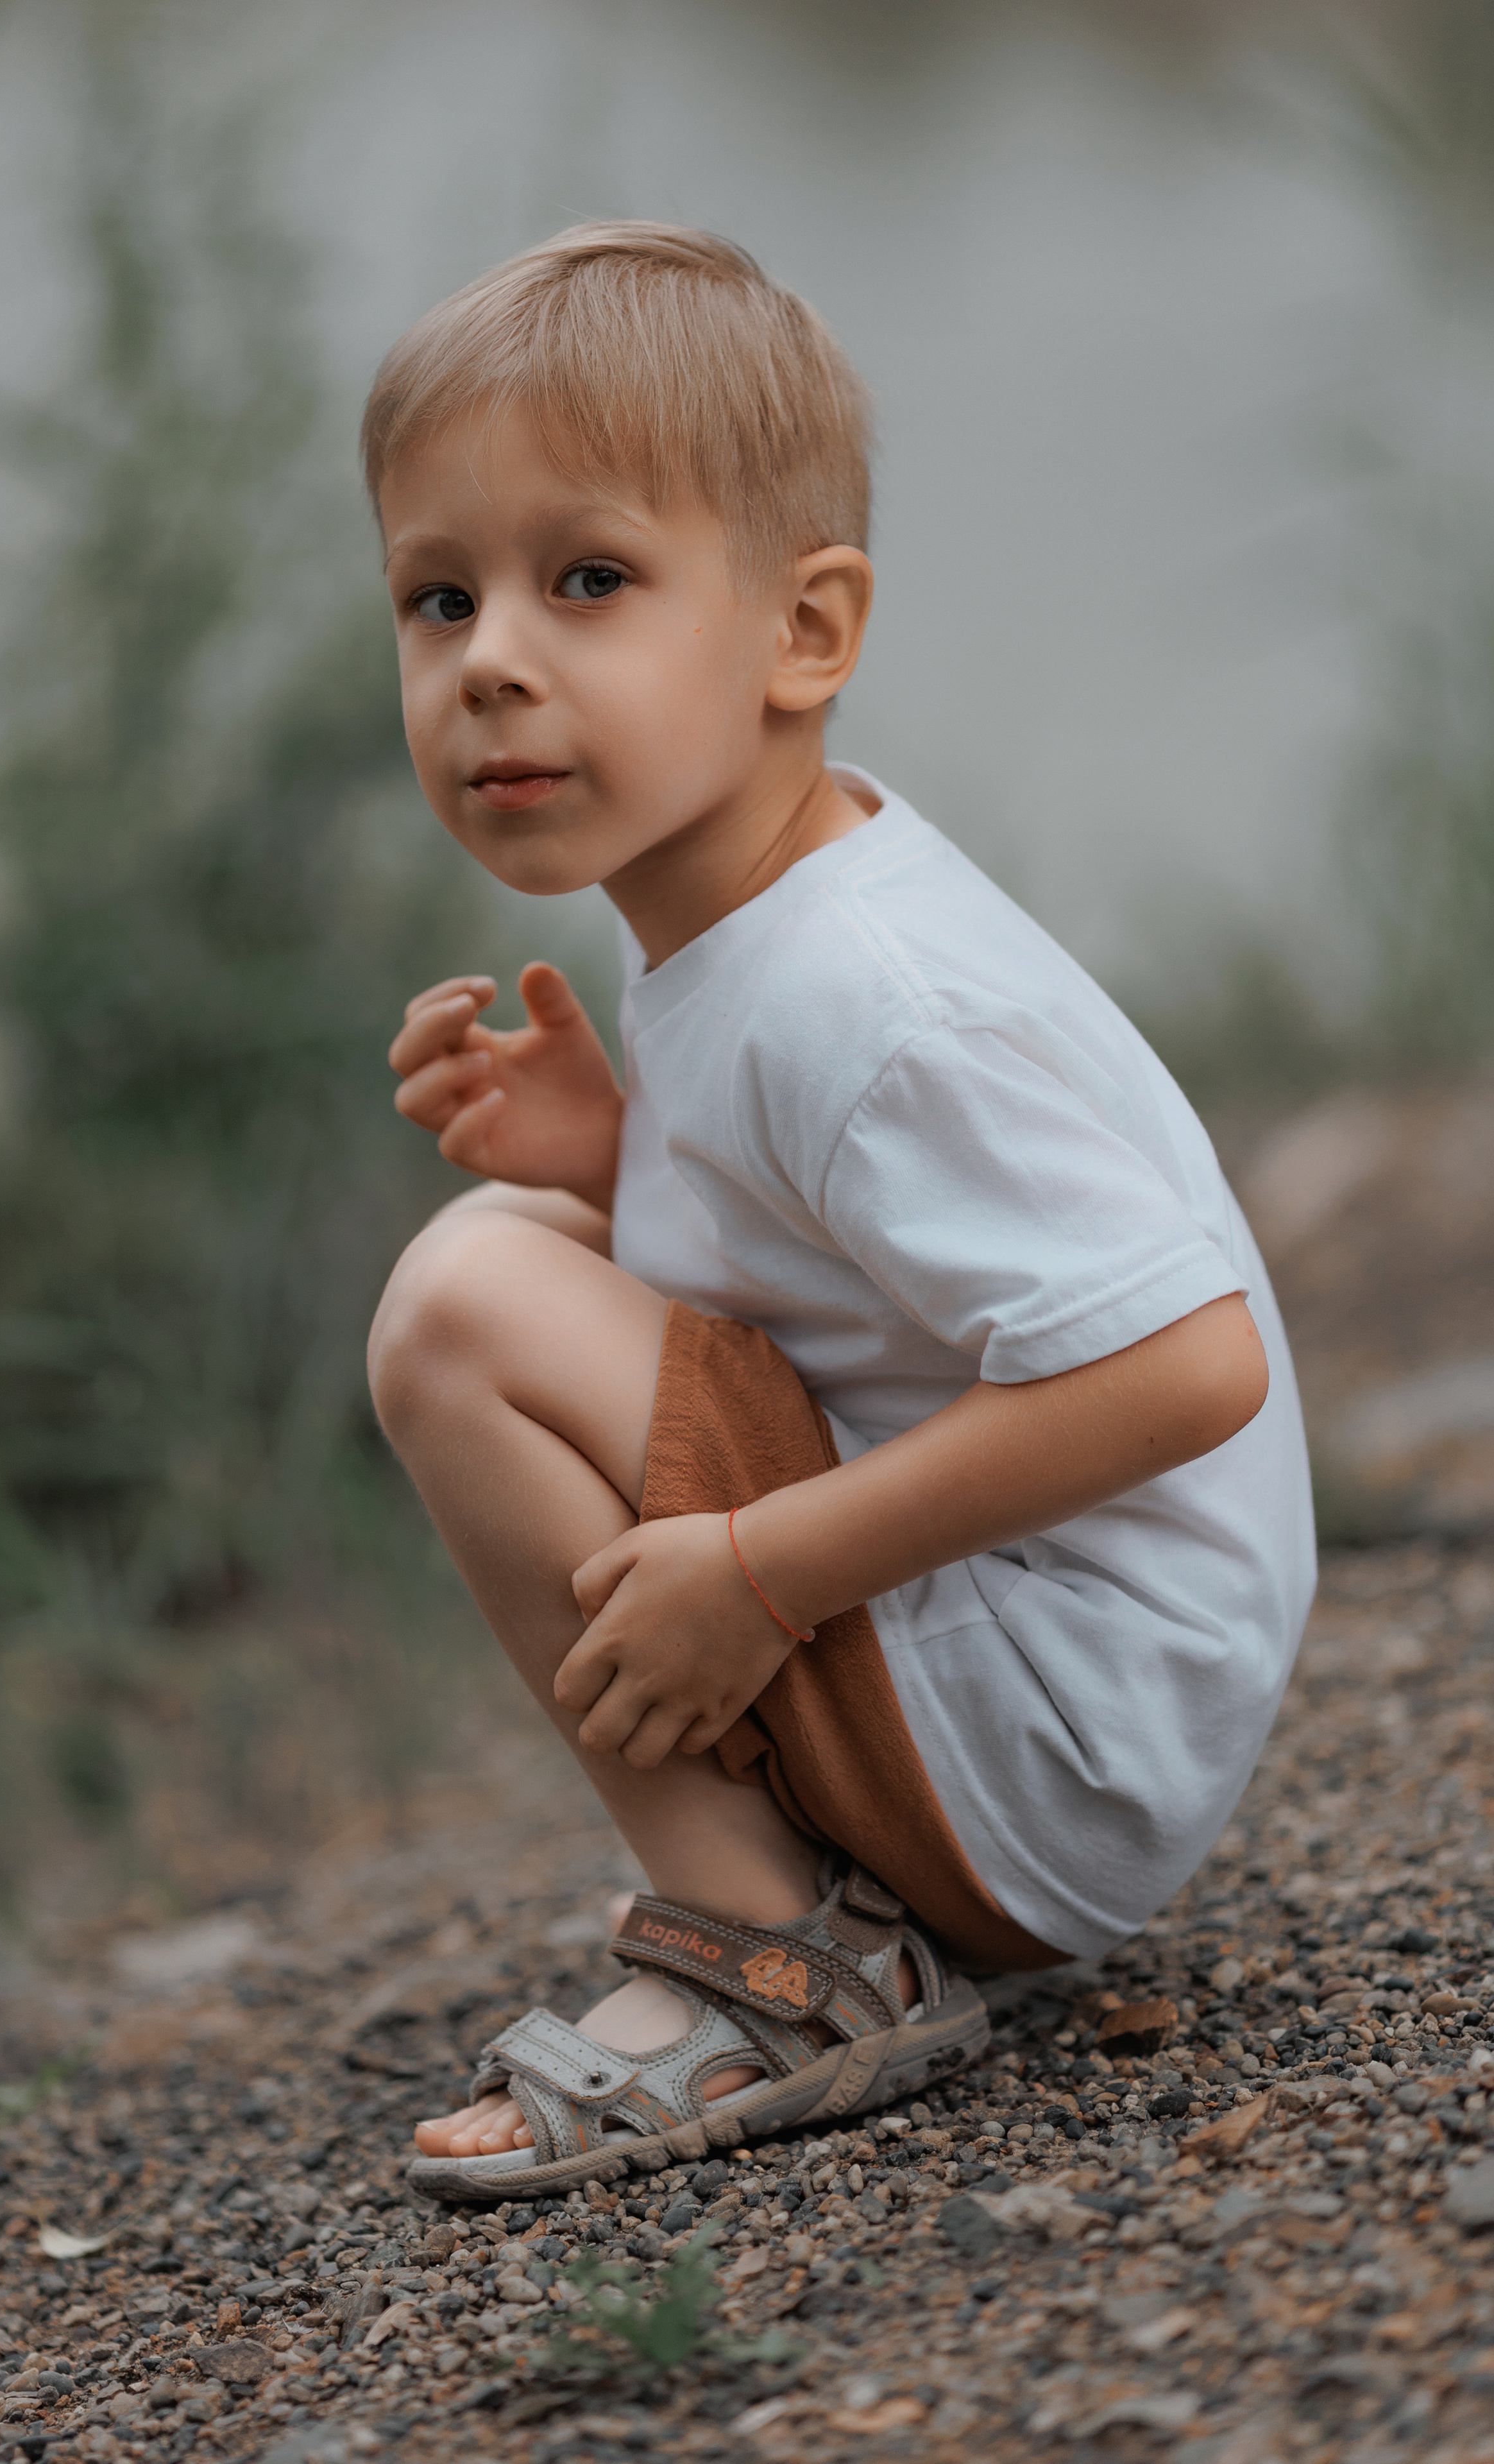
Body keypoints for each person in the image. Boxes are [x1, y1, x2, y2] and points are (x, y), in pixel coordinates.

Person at [360, 223, 1316, 2205]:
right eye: (437, 599)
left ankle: (787, 1957)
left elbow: (1185, 1366)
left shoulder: (853, 996)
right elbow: (864, 1283)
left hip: (1062, 1733)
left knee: (459, 1309)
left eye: (588, 579)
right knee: (526, 1254)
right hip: (1048, 1690)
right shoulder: (765, 898)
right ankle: (820, 1910)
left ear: (805, 632)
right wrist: (623, 1162)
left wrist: (763, 1573)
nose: (493, 659)